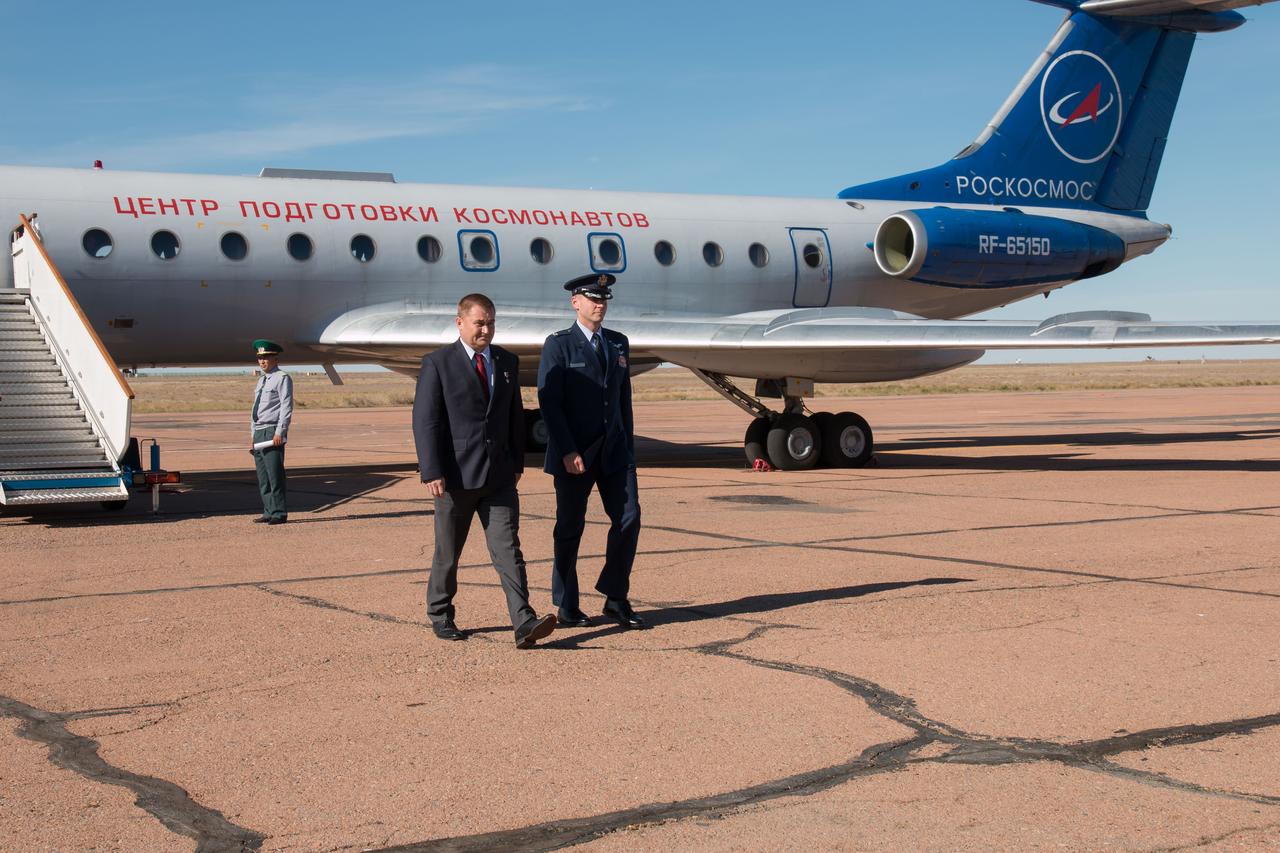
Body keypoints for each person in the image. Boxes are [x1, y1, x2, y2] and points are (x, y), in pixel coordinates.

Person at [413, 293, 557, 649]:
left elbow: (512, 416)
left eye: (491, 322)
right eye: (479, 322)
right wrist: (431, 470)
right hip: (454, 477)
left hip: (499, 478)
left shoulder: (506, 361)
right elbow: (426, 421)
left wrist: (518, 464)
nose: (486, 329)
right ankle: (441, 613)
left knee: (509, 549)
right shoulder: (438, 363)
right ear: (459, 322)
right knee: (448, 552)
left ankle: (523, 621)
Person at [537, 273, 645, 629]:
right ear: (575, 302)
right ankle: (567, 603)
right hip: (576, 457)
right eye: (592, 298)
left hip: (614, 453)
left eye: (604, 299)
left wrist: (628, 445)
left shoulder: (618, 343)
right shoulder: (559, 344)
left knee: (629, 518)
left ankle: (616, 597)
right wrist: (567, 449)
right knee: (570, 527)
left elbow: (622, 400)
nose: (599, 304)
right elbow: (549, 403)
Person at [249, 339, 292, 525]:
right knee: (263, 477)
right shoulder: (261, 380)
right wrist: (252, 435)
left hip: (272, 430)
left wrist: (280, 432)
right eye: (260, 358)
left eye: (266, 357)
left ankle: (279, 512)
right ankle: (268, 510)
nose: (262, 361)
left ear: (275, 358)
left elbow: (286, 406)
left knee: (275, 475)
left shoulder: (282, 378)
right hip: (259, 431)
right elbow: (255, 409)